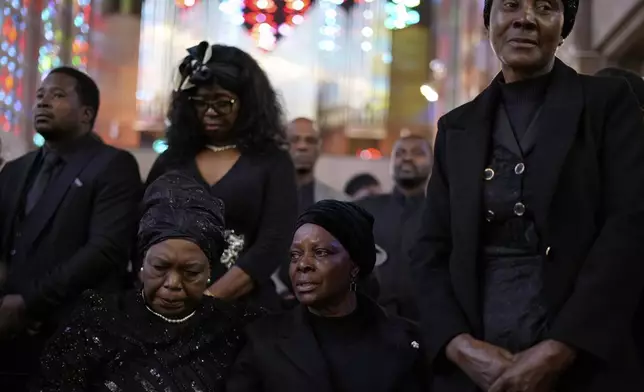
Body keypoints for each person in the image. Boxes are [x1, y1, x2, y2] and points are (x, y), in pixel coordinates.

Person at [410, 1, 644, 391]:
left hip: (584, 355)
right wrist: (459, 346)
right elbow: (430, 249)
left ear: (564, 26)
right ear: (489, 22)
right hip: (478, 361)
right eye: (510, 5)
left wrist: (561, 347)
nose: (525, 18)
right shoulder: (456, 128)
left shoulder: (607, 104)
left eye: (546, 7)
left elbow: (628, 229)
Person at [32, 171, 260, 391]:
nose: (172, 283)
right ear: (142, 264)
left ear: (209, 271)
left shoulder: (238, 328)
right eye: (160, 268)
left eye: (190, 272)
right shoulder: (97, 320)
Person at [0, 67, 141, 391]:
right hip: (10, 333)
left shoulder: (112, 165)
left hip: (73, 332)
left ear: (86, 113)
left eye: (58, 95)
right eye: (40, 96)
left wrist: (29, 302)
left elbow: (105, 249)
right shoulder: (15, 170)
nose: (43, 102)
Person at [145, 42, 298, 310]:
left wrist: (209, 301)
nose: (210, 112)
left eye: (223, 103)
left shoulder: (272, 161)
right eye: (201, 103)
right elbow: (141, 232)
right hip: (167, 302)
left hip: (243, 307)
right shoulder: (172, 159)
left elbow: (272, 243)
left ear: (248, 104)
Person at [227, 200, 429, 392]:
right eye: (295, 255)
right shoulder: (262, 340)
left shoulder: (407, 343)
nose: (303, 264)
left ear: (355, 266)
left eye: (321, 252)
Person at [357, 135, 432, 320]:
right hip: (369, 323)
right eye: (400, 153)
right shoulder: (364, 209)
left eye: (417, 153)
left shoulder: (443, 215)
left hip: (426, 325)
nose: (407, 158)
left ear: (433, 163)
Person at [287, 117, 345, 212]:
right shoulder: (263, 199)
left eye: (310, 140)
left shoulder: (339, 203)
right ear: (283, 146)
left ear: (319, 148)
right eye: (294, 140)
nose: (302, 146)